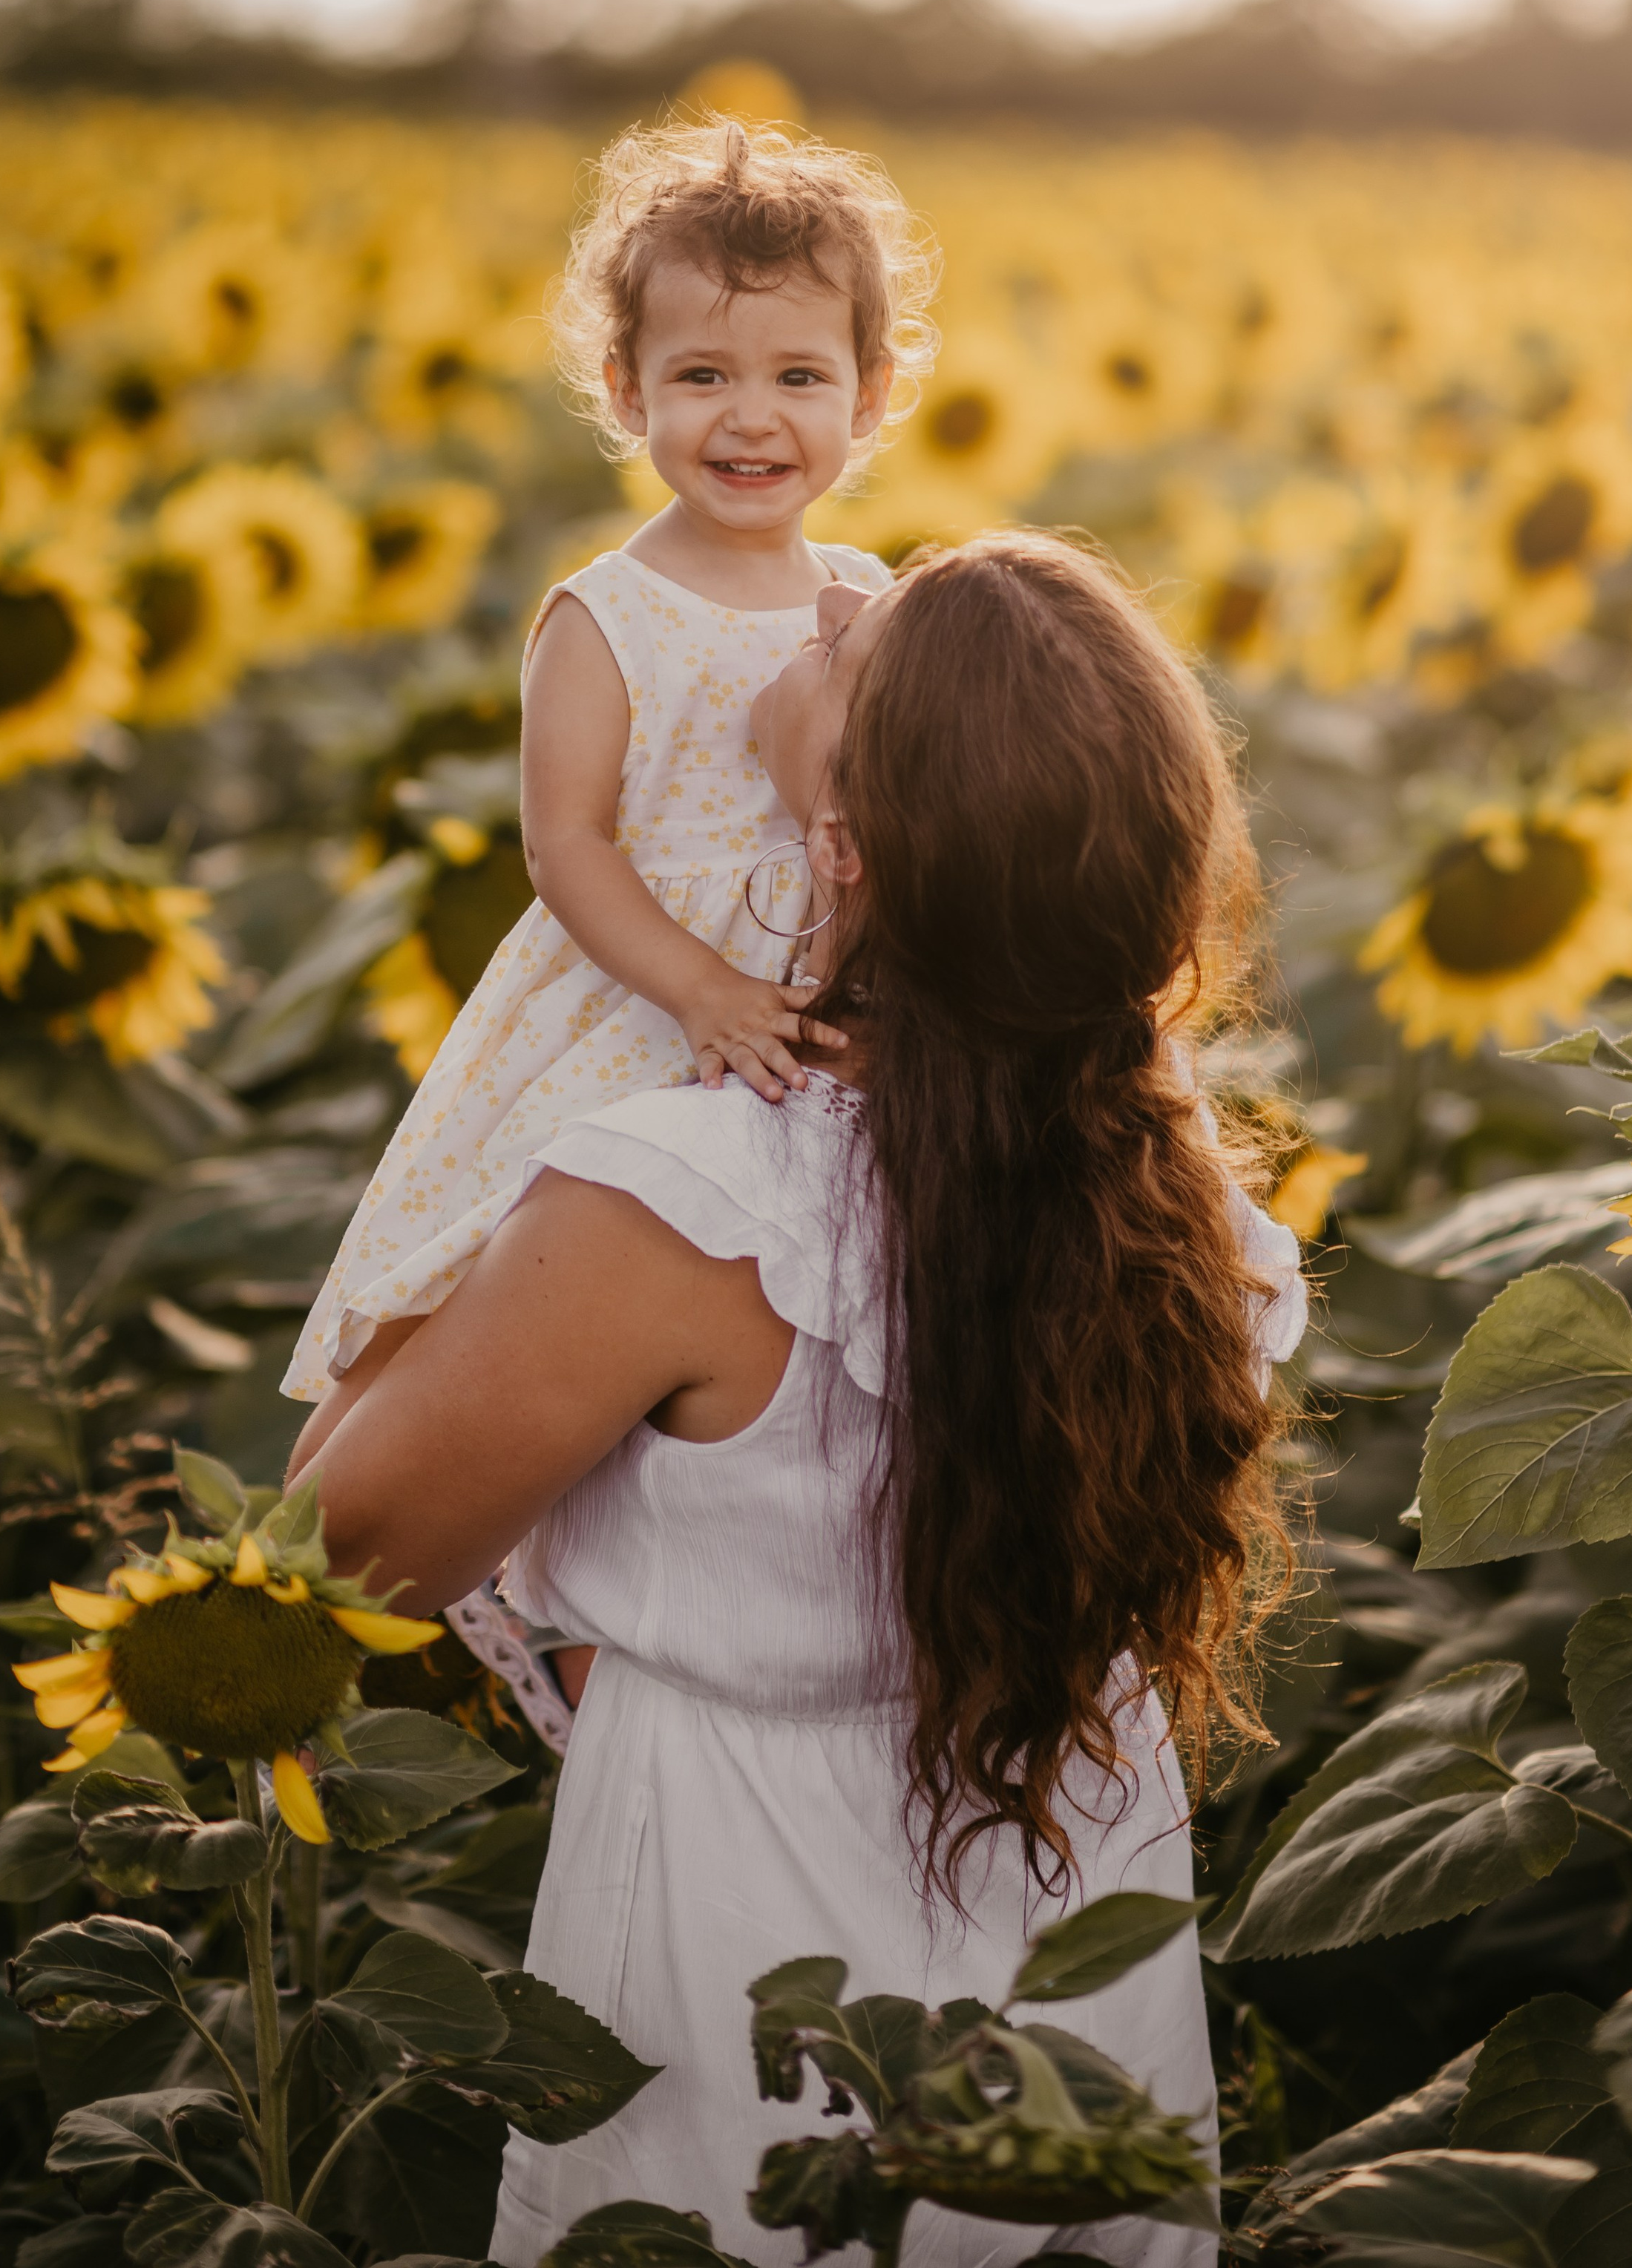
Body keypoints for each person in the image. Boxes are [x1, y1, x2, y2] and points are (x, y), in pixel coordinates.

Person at [289, 533, 1305, 2268]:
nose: (826, 601)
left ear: (836, 842)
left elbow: (333, 1551)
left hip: (735, 1954)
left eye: (859, 637)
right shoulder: (1184, 1205)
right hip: (1071, 1947)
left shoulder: (683, 1201)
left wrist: (507, 1108)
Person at [281, 117, 939, 1406]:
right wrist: (698, 987)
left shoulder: (869, 595)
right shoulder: (608, 614)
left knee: (797, 1325)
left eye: (799, 379)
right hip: (647, 1008)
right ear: (628, 388)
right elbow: (564, 843)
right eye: (703, 378)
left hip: (828, 1015)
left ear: (869, 394)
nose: (751, 419)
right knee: (532, 1306)